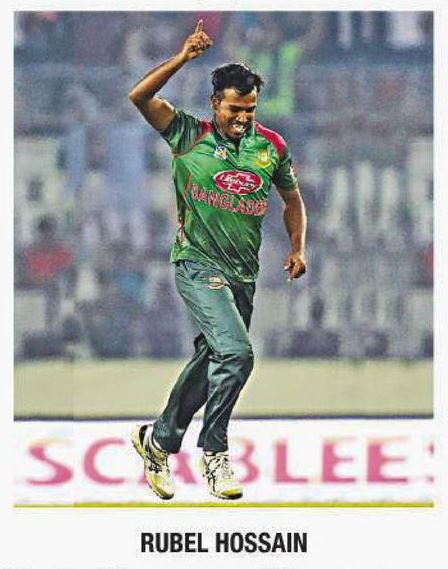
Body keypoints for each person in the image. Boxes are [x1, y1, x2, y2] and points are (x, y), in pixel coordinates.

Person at [129, 20, 307, 500]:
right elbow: (139, 97)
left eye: (250, 109)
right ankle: (215, 454)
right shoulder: (188, 134)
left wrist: (297, 246)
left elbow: (292, 201)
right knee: (237, 354)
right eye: (234, 109)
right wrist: (183, 58)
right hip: (197, 264)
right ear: (214, 103)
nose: (243, 118)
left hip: (243, 275)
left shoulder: (271, 146)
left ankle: (157, 441)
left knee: (213, 359)